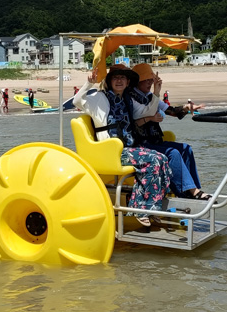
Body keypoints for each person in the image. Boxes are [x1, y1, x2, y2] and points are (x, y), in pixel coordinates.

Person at [72, 64, 171, 226]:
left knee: (162, 158)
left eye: (122, 78)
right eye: (115, 78)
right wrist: (89, 83)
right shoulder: (99, 97)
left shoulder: (127, 99)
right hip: (110, 151)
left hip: (128, 149)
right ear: (109, 81)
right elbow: (77, 101)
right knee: (152, 160)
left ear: (127, 82)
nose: (119, 81)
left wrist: (157, 92)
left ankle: (153, 206)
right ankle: (140, 208)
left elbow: (148, 111)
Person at [128, 64, 208, 200]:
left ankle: (192, 189)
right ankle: (191, 191)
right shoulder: (130, 97)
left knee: (185, 149)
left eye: (151, 80)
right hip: (140, 144)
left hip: (154, 141)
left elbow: (170, 111)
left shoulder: (148, 95)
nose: (149, 83)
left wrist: (186, 108)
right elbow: (147, 111)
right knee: (173, 153)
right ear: (137, 81)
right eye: (146, 80)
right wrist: (157, 92)